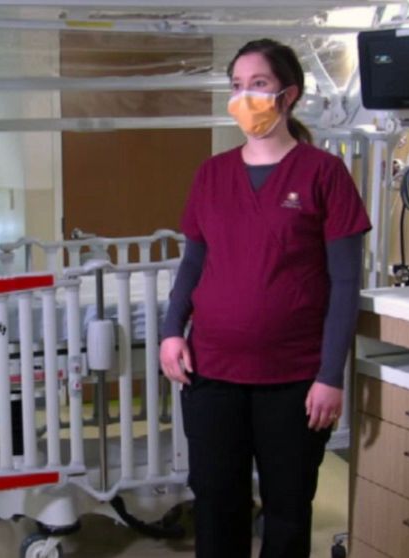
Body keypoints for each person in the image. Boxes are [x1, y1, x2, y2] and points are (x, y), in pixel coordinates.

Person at [159, 39, 371, 558]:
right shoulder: (211, 175)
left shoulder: (324, 175)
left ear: (288, 95)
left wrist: (329, 375)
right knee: (215, 505)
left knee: (287, 509)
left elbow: (345, 284)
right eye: (236, 86)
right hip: (211, 374)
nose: (244, 97)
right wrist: (170, 331)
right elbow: (193, 261)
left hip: (293, 380)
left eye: (258, 85)